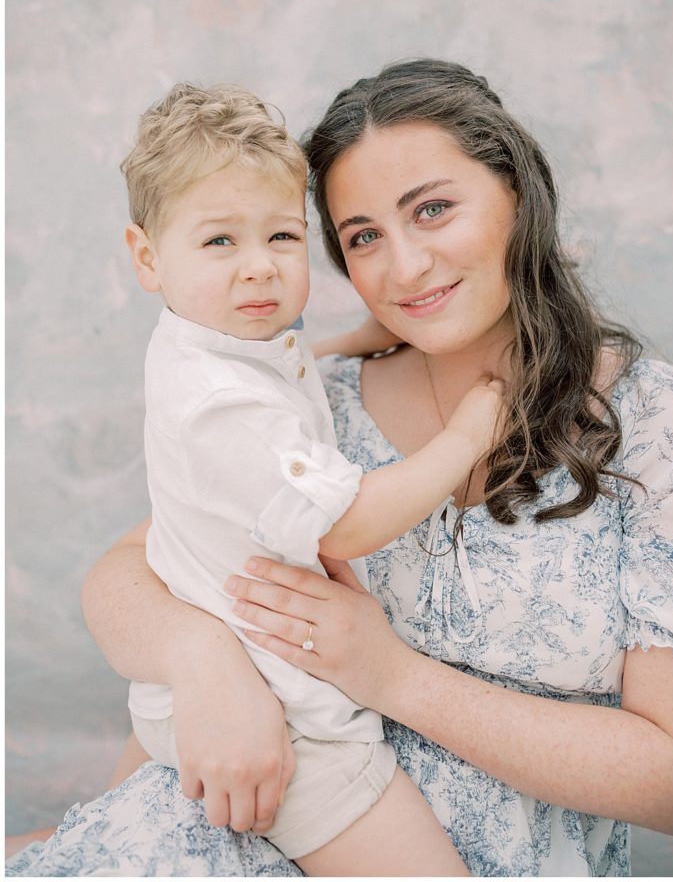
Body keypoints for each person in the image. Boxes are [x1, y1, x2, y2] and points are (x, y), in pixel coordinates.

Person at [7, 59, 673, 878]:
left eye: (432, 210)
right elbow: (128, 571)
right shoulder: (316, 404)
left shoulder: (651, 424)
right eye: (363, 236)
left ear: (519, 195)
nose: (404, 268)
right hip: (232, 827)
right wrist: (200, 657)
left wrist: (394, 678)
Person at [117, 80, 505, 875]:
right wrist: (466, 435)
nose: (258, 270)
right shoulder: (220, 404)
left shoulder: (215, 347)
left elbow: (279, 378)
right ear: (148, 258)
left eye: (283, 239)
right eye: (220, 242)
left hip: (247, 692)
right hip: (290, 723)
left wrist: (365, 333)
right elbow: (348, 521)